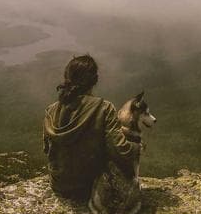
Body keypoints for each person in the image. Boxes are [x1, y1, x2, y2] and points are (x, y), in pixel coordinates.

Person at [42, 54, 140, 201]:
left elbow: (47, 149)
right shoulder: (104, 108)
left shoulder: (51, 110)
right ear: (95, 80)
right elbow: (120, 150)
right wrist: (137, 147)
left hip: (59, 184)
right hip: (90, 186)